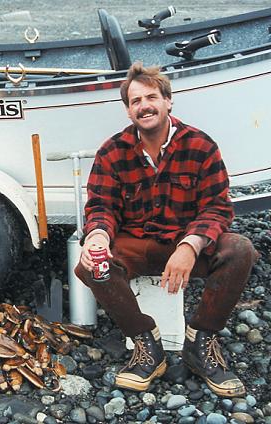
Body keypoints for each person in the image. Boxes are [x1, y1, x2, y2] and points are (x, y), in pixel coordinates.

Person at [75, 62, 258, 397]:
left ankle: (200, 342)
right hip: (138, 244)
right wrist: (97, 236)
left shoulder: (201, 146)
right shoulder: (112, 151)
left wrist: (189, 247)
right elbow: (101, 206)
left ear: (168, 101)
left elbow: (218, 207)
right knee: (91, 265)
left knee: (241, 249)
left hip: (185, 243)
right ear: (128, 111)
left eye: (151, 97)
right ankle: (147, 344)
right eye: (135, 101)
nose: (144, 105)